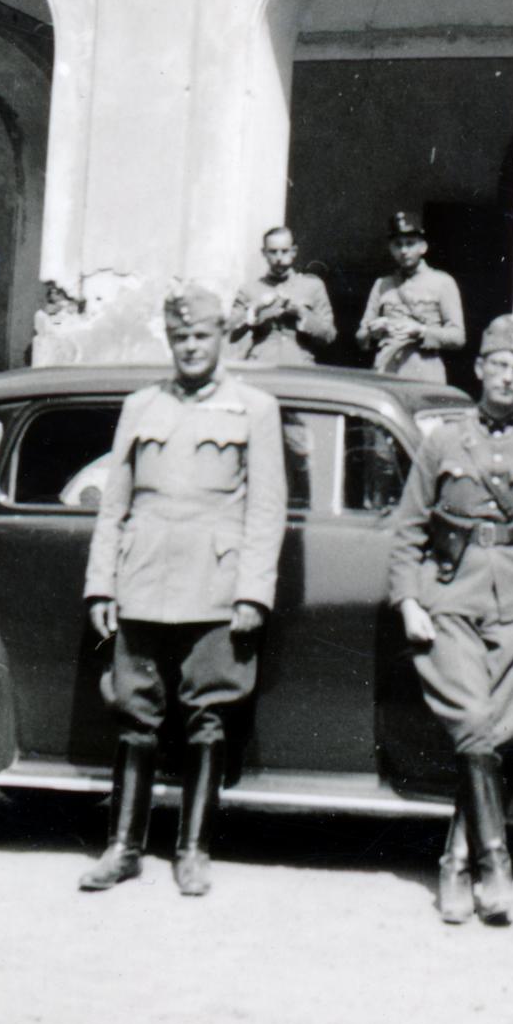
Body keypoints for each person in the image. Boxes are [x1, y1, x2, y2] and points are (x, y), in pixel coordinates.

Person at [79, 285, 286, 897]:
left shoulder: (255, 408)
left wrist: (253, 592)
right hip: (142, 580)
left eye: (200, 336)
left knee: (208, 718)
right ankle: (122, 848)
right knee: (134, 716)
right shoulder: (141, 405)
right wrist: (100, 585)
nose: (190, 347)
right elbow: (113, 503)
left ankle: (193, 851)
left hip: (215, 586)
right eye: (180, 338)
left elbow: (267, 509)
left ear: (221, 335)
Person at [389, 316, 513, 926]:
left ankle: (455, 860)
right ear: (479, 369)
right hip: (450, 599)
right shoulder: (443, 441)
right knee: (474, 720)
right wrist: (410, 602)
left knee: (497, 731)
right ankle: (494, 859)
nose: (508, 377)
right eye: (499, 365)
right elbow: (409, 530)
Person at [356, 211, 465, 382]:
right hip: (386, 369)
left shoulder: (442, 282)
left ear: (423, 247)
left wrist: (421, 331)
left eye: (410, 243)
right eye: (398, 245)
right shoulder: (382, 284)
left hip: (425, 371)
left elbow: (458, 337)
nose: (404, 250)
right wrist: (372, 330)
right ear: (391, 248)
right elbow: (361, 337)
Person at [228, 226, 336, 365]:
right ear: (264, 253)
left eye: (284, 251)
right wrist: (254, 310)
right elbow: (230, 334)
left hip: (300, 366)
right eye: (273, 252)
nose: (279, 258)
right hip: (261, 365)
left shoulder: (313, 286)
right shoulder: (249, 289)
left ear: (294, 251)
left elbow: (329, 335)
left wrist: (301, 313)